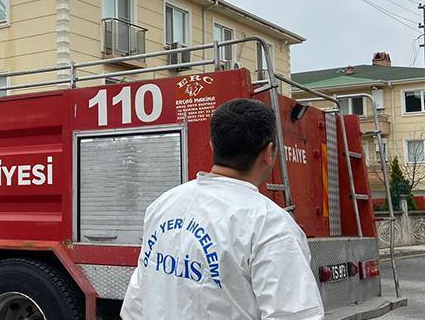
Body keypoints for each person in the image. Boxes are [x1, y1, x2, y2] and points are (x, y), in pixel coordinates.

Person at [121, 99, 324, 319]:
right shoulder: (269, 224)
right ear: (269, 152)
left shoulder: (163, 205)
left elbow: (136, 305)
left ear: (212, 145)